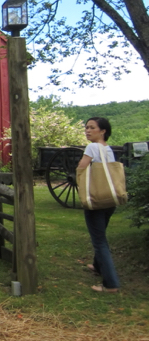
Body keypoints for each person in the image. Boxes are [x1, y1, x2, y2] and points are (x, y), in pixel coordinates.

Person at [76, 117, 120, 293]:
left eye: (92, 128)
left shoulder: (92, 147)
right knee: (101, 234)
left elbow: (82, 167)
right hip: (109, 199)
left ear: (103, 131)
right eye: (86, 127)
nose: (87, 130)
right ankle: (97, 266)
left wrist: (80, 176)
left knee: (99, 241)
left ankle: (111, 284)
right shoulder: (107, 149)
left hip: (96, 199)